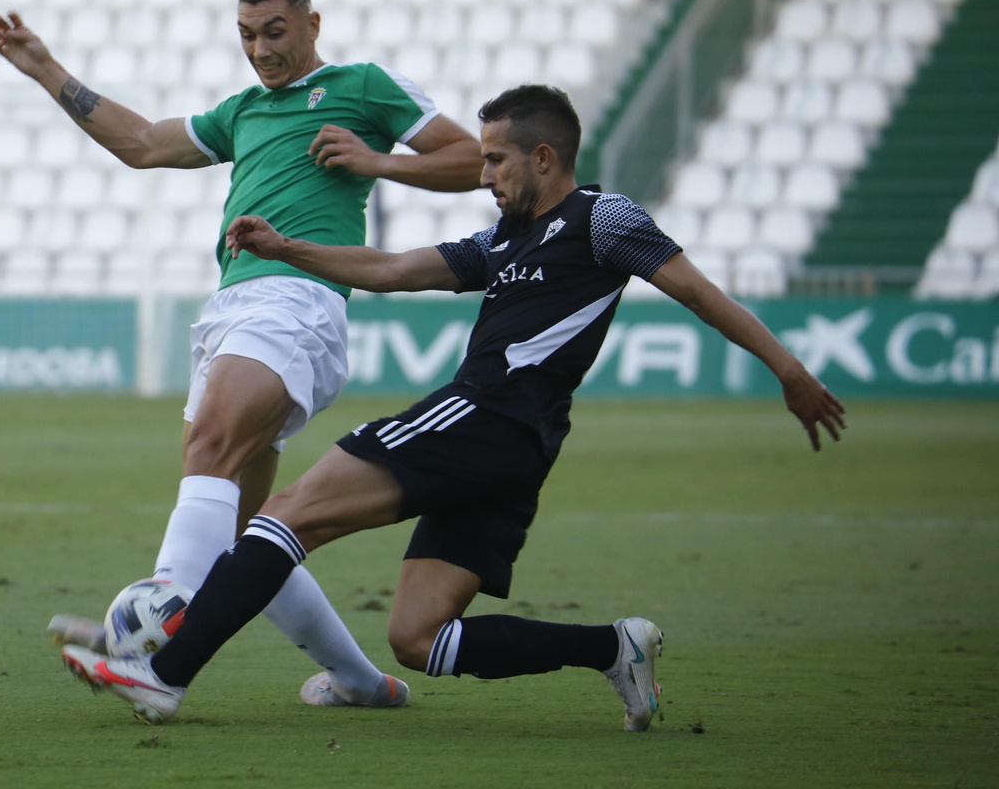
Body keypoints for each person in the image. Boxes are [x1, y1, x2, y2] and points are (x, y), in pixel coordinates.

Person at [59, 83, 847, 726]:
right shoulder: (504, 239)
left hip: (488, 416)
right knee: (417, 637)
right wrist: (289, 248)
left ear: (545, 157)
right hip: (516, 452)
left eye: (498, 159)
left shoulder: (604, 219)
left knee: (282, 514)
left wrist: (789, 369)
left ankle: (165, 673)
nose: (487, 172)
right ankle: (612, 647)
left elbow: (699, 293)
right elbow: (396, 269)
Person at [0, 0, 484, 707]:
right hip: (230, 309)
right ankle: (360, 681)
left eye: (276, 31)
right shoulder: (244, 109)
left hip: (298, 299)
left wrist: (377, 160)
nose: (261, 49)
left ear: (312, 23)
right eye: (248, 35)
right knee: (248, 534)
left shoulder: (363, 86)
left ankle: (157, 650)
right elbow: (142, 143)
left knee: (211, 446)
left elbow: (474, 158)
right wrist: (44, 69)